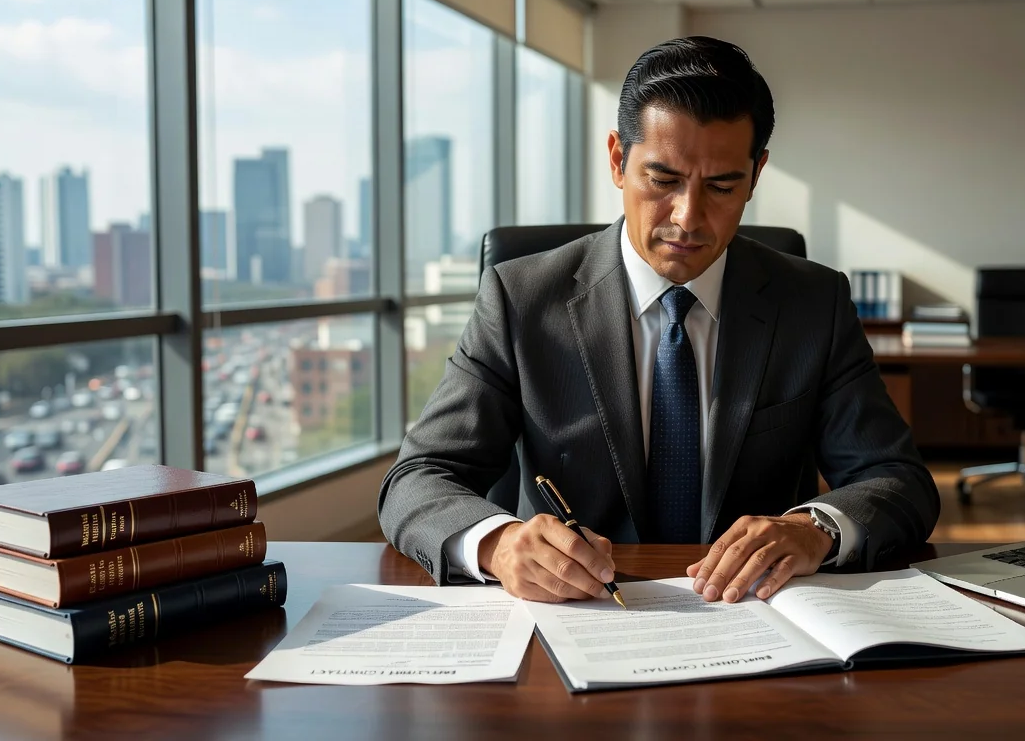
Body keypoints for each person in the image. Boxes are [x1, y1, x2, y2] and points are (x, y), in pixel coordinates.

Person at [379, 36, 938, 605]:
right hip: (580, 617)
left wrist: (815, 528)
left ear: (756, 174)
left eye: (722, 185)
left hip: (756, 619)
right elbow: (418, 479)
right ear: (619, 161)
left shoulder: (812, 303)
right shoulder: (521, 299)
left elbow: (899, 480)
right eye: (664, 180)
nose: (687, 218)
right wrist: (498, 544)